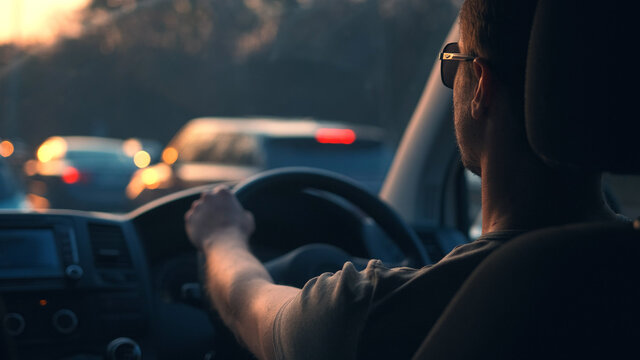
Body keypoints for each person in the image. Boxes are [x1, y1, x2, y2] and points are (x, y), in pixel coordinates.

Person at [184, 0, 620, 358]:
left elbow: (255, 310)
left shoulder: (392, 314)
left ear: (482, 88)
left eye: (455, 62)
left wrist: (221, 237)